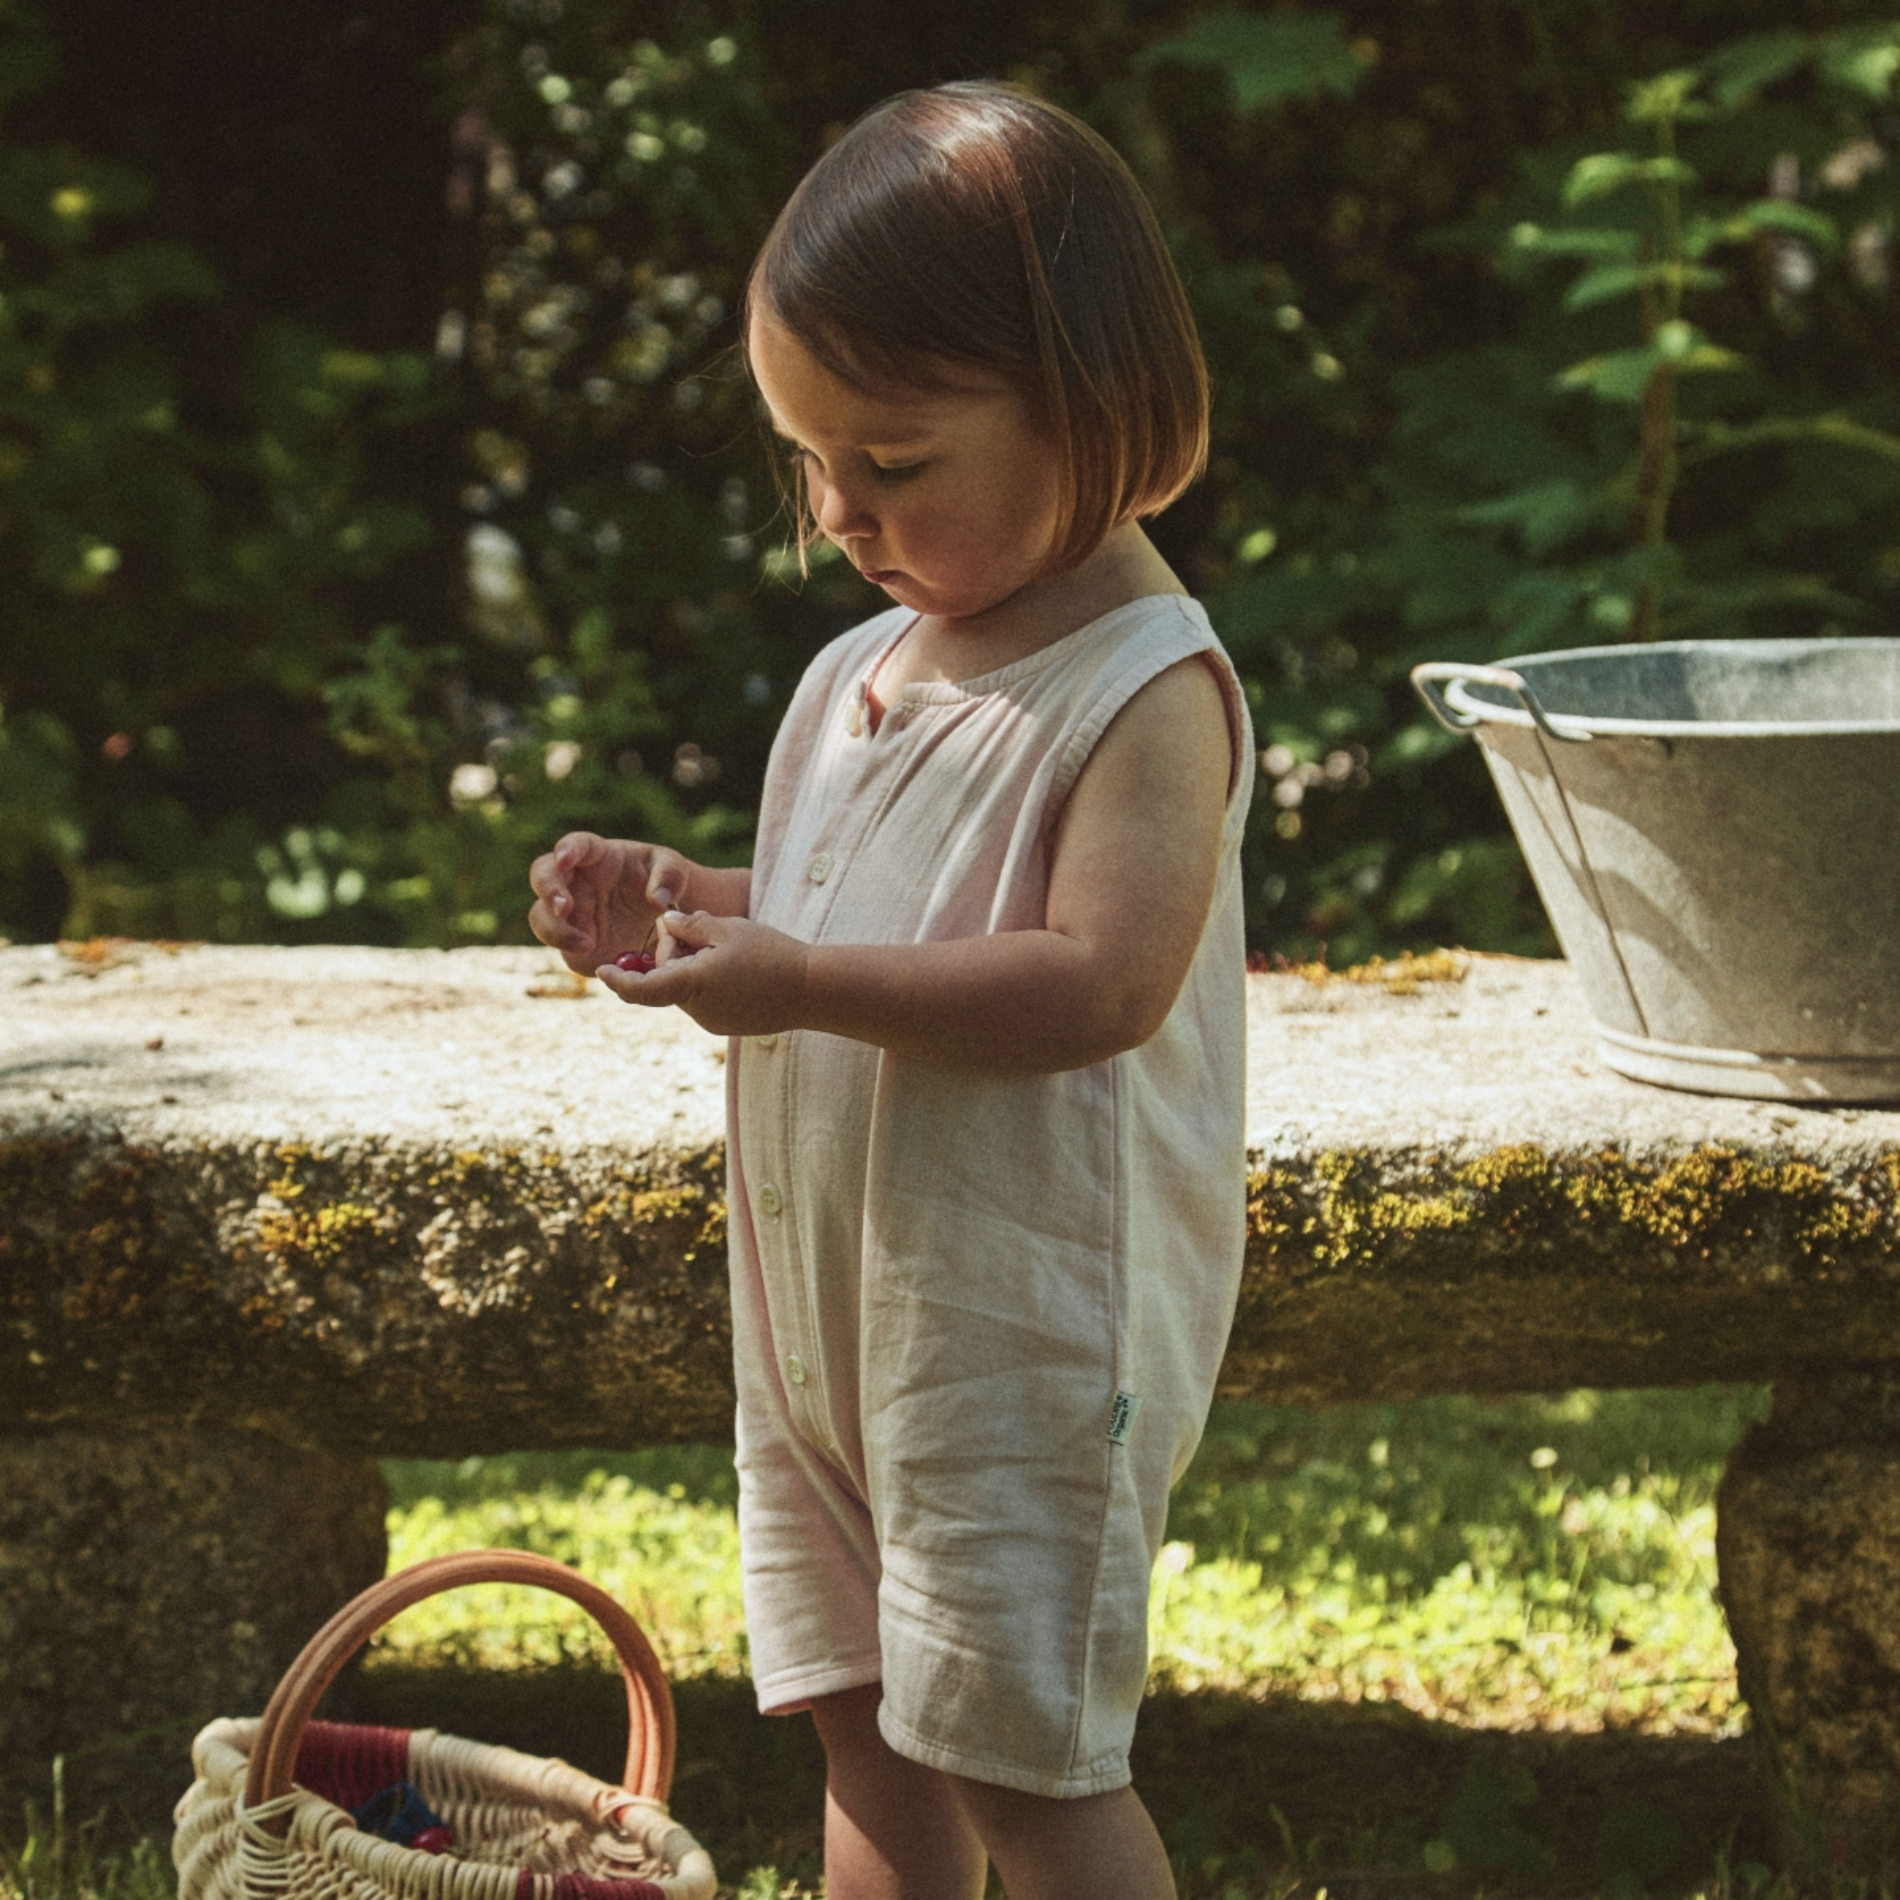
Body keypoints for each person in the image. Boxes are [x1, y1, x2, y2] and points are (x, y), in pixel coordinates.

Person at [529, 80, 1253, 1900]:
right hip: (833, 1321)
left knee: (1018, 1758)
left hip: (1017, 1334)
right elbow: (871, 900)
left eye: (897, 463)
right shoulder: (864, 669)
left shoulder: (1146, 690)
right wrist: (688, 898)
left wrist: (802, 981)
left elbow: (1098, 980)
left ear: (1091, 408)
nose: (840, 510)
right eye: (808, 460)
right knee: (865, 1713)